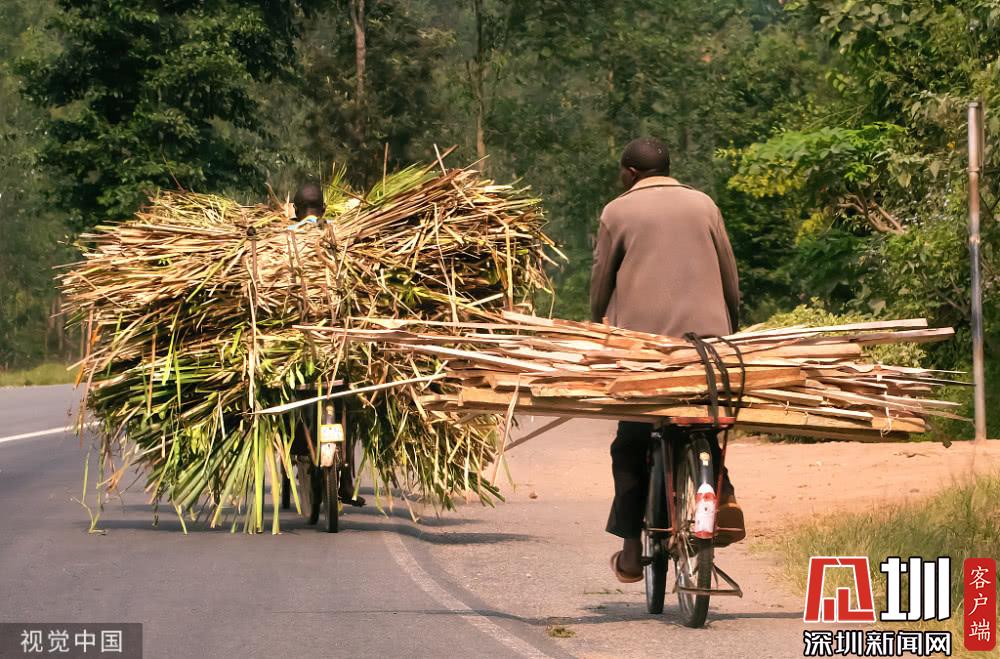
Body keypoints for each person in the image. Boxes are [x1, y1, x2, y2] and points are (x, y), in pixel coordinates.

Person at [589, 137, 746, 583]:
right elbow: (729, 273)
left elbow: (602, 276)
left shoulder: (617, 211)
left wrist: (596, 323)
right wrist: (731, 326)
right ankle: (722, 492)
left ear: (630, 172)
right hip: (706, 345)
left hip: (645, 350)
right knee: (703, 421)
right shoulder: (704, 204)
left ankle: (630, 550)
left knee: (631, 441)